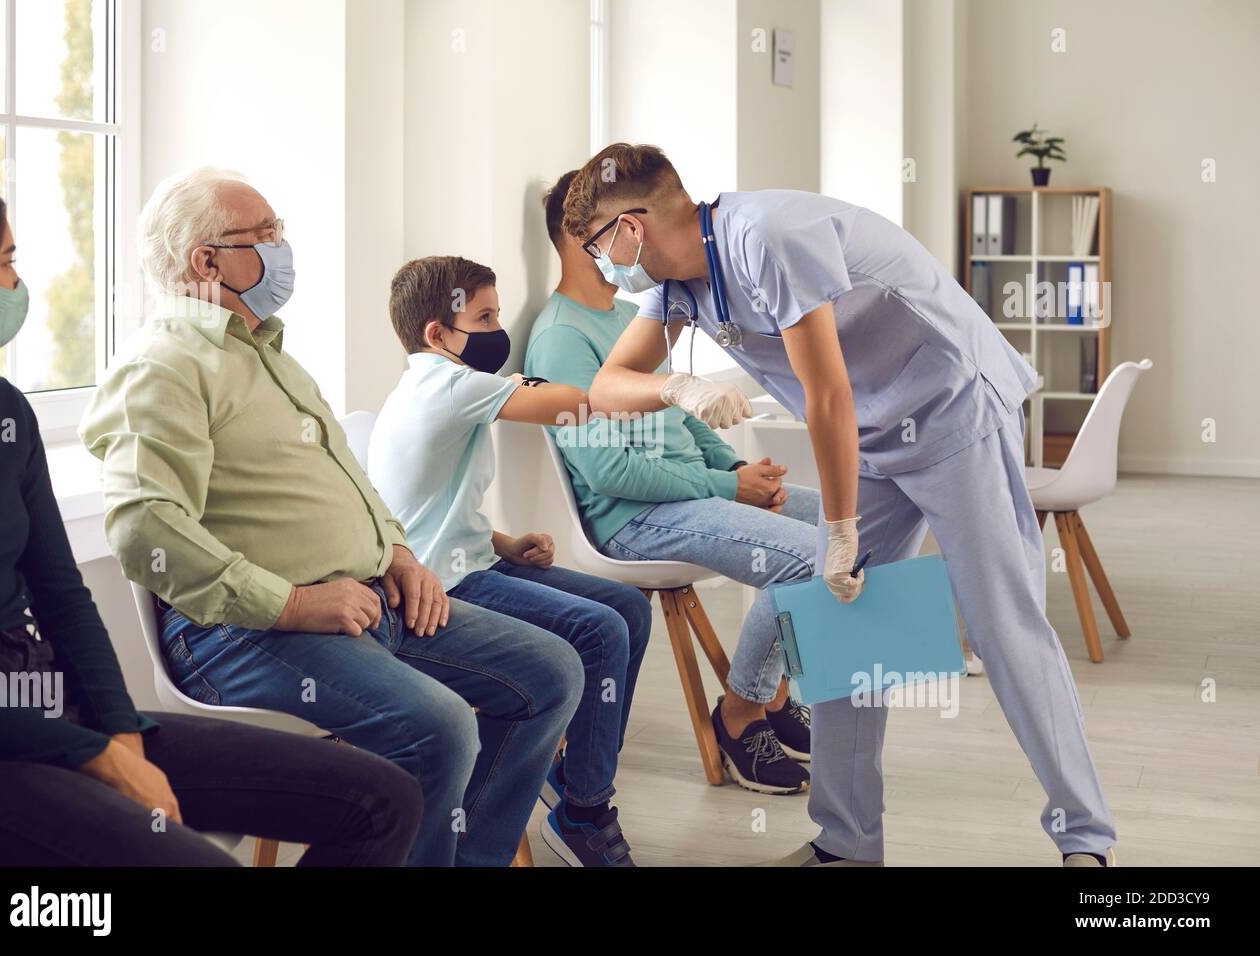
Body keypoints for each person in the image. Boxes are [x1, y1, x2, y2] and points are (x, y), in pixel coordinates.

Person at [564, 143, 1117, 867]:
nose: (602, 263)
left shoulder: (766, 237)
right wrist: (675, 388)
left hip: (952, 410)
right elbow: (608, 386)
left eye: (599, 244)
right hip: (872, 437)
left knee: (1002, 622)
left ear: (631, 228)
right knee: (845, 626)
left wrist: (842, 526)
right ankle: (847, 845)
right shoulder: (682, 287)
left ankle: (1087, 842)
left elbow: (827, 393)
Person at [79, 168, 583, 867]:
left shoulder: (268, 355)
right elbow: (145, 531)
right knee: (439, 729)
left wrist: (399, 554)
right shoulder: (164, 364)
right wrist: (291, 603)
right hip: (243, 630)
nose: (282, 246)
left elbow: (352, 480)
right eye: (263, 235)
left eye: (278, 230)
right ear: (207, 261)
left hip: (366, 599)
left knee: (552, 671)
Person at [0, 175, 423, 866]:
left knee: (384, 801)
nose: (18, 285)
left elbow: (63, 598)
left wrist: (118, 730)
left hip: (54, 704)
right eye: (6, 263)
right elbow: (149, 528)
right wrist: (96, 756)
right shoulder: (163, 363)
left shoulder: (0, 410)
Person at [526, 170, 821, 795]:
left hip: (687, 493)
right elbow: (608, 471)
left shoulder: (635, 315)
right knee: (808, 560)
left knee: (852, 525)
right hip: (630, 519)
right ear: (590, 241)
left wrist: (736, 470)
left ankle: (771, 700)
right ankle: (742, 713)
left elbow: (680, 418)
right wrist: (721, 487)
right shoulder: (559, 338)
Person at [369, 255, 651, 867]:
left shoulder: (439, 385)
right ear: (437, 335)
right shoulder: (446, 382)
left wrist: (504, 543)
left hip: (473, 560)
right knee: (598, 629)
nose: (498, 330)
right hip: (441, 584)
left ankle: (576, 780)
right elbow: (579, 403)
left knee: (626, 606)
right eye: (486, 317)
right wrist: (652, 346)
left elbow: (426, 509)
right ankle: (585, 808)